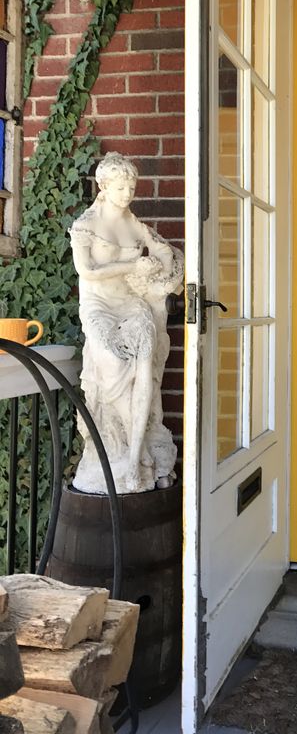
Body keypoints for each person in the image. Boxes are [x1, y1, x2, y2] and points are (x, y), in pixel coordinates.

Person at [69, 152, 183, 494]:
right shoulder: (86, 225)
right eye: (121, 187)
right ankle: (132, 450)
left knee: (144, 367)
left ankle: (136, 458)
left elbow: (165, 253)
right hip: (99, 307)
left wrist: (160, 274)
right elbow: (86, 271)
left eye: (132, 185)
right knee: (114, 362)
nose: (128, 192)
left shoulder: (134, 223)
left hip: (132, 305)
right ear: (104, 186)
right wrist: (132, 267)